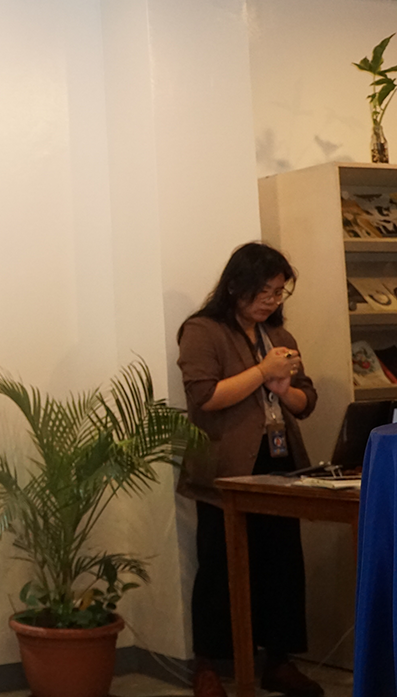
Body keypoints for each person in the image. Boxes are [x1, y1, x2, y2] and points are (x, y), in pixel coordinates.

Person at [177, 242, 323, 697]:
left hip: (279, 464)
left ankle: (279, 661)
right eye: (265, 291)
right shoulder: (202, 330)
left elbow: (305, 402)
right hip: (225, 467)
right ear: (236, 285)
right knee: (220, 566)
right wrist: (263, 372)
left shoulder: (281, 337)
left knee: (282, 564)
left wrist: (282, 387)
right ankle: (210, 666)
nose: (272, 301)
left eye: (280, 292)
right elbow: (205, 397)